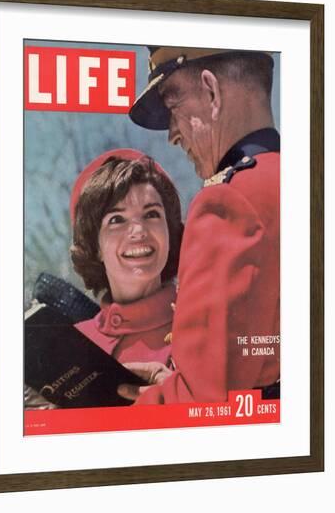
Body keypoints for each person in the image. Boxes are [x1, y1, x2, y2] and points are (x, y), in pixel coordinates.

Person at [120, 46, 280, 403]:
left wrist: (112, 409)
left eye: (173, 107)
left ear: (211, 92)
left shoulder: (229, 202)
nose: (172, 135)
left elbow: (204, 406)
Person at [70, 149, 184, 373]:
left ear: (169, 232)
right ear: (96, 246)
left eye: (151, 214)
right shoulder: (70, 345)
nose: (139, 231)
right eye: (117, 219)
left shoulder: (202, 324)